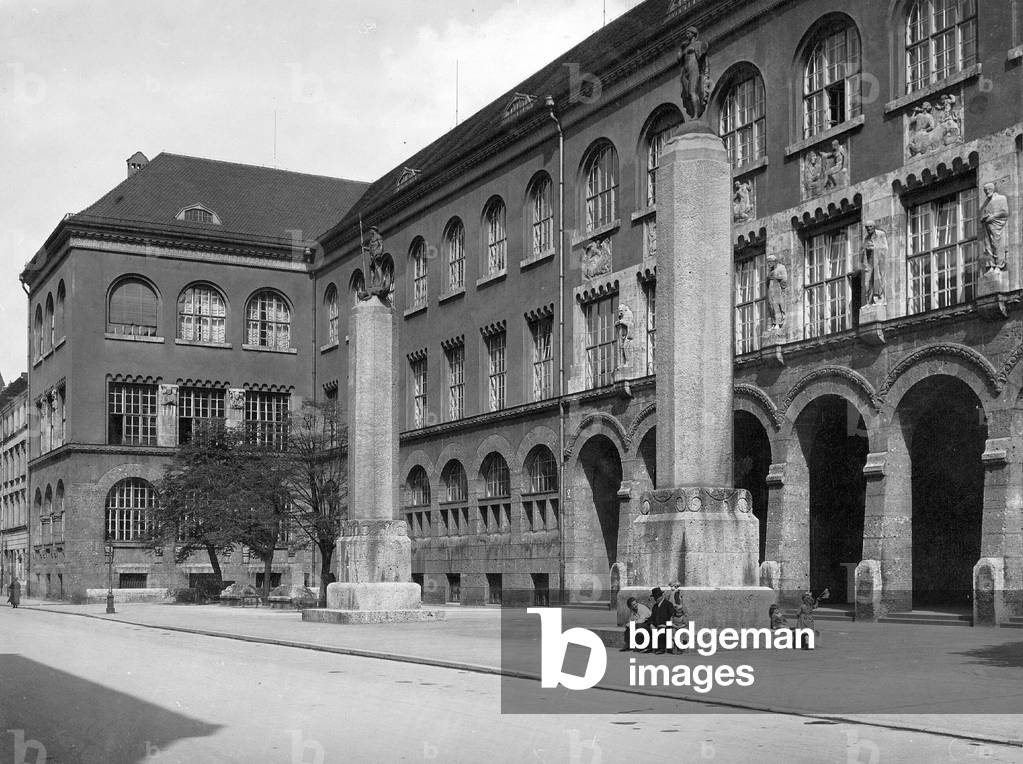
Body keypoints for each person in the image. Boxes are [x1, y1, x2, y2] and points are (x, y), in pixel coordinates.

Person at [980, 182, 1009, 272]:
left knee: (997, 244)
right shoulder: (986, 204)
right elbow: (984, 215)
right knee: (988, 246)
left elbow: (1005, 212)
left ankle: (999, 265)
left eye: (988, 189)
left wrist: (993, 216)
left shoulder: (1001, 198)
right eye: (985, 190)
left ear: (992, 189)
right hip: (987, 227)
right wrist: (984, 218)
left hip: (997, 226)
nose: (987, 192)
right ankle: (991, 264)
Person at [860, 220, 888, 305]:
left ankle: (879, 299)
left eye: (870, 227)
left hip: (879, 261)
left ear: (874, 226)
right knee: (867, 283)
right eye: (867, 227)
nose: (868, 229)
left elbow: (885, 248)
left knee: (879, 279)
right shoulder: (866, 238)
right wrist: (866, 249)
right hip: (869, 262)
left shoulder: (881, 234)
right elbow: (863, 251)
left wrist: (874, 248)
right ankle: (869, 302)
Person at [641, 587, 674, 654]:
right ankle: (648, 647)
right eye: (655, 597)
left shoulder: (668, 604)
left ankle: (661, 648)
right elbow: (652, 617)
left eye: (658, 597)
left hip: (665, 626)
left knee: (661, 630)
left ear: (661, 596)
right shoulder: (655, 606)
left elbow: (672, 617)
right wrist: (651, 624)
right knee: (645, 628)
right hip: (656, 625)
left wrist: (665, 625)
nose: (656, 598)